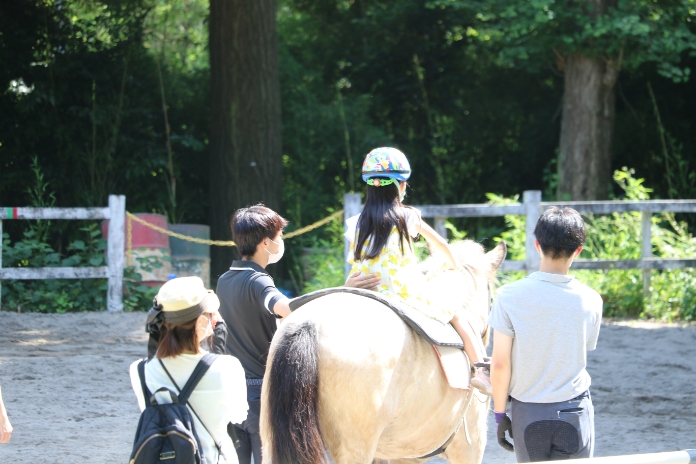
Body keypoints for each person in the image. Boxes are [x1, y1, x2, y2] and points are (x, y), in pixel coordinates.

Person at [216, 204, 380, 464]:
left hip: (230, 391)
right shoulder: (258, 280)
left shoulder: (224, 279)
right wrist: (341, 290)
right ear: (265, 243)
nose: (281, 242)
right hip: (260, 394)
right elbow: (285, 308)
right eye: (279, 237)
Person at [344, 147, 491, 395]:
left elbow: (356, 261)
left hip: (364, 287)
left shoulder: (355, 222)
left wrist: (348, 287)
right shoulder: (407, 216)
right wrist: (452, 264)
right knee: (457, 315)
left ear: (369, 186)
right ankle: (481, 371)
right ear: (400, 186)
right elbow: (441, 246)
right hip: (403, 291)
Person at [489, 207, 603, 462]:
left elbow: (499, 364)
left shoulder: (509, 296)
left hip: (528, 414)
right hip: (574, 410)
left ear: (537, 244)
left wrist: (499, 415)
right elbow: (578, 349)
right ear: (578, 250)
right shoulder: (591, 299)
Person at [129, 276, 248, 464]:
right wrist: (218, 348)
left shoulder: (139, 370)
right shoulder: (228, 367)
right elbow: (239, 416)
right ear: (201, 323)